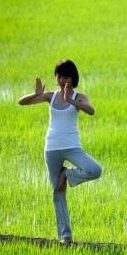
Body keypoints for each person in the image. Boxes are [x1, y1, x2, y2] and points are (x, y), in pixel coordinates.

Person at [18, 59, 102, 244]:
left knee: (95, 170)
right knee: (57, 192)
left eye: (66, 77)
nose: (62, 80)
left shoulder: (79, 97)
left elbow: (91, 111)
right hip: (52, 148)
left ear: (73, 79)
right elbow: (21, 102)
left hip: (72, 147)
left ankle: (68, 174)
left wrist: (71, 100)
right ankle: (65, 236)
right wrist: (35, 94)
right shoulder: (51, 96)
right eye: (59, 76)